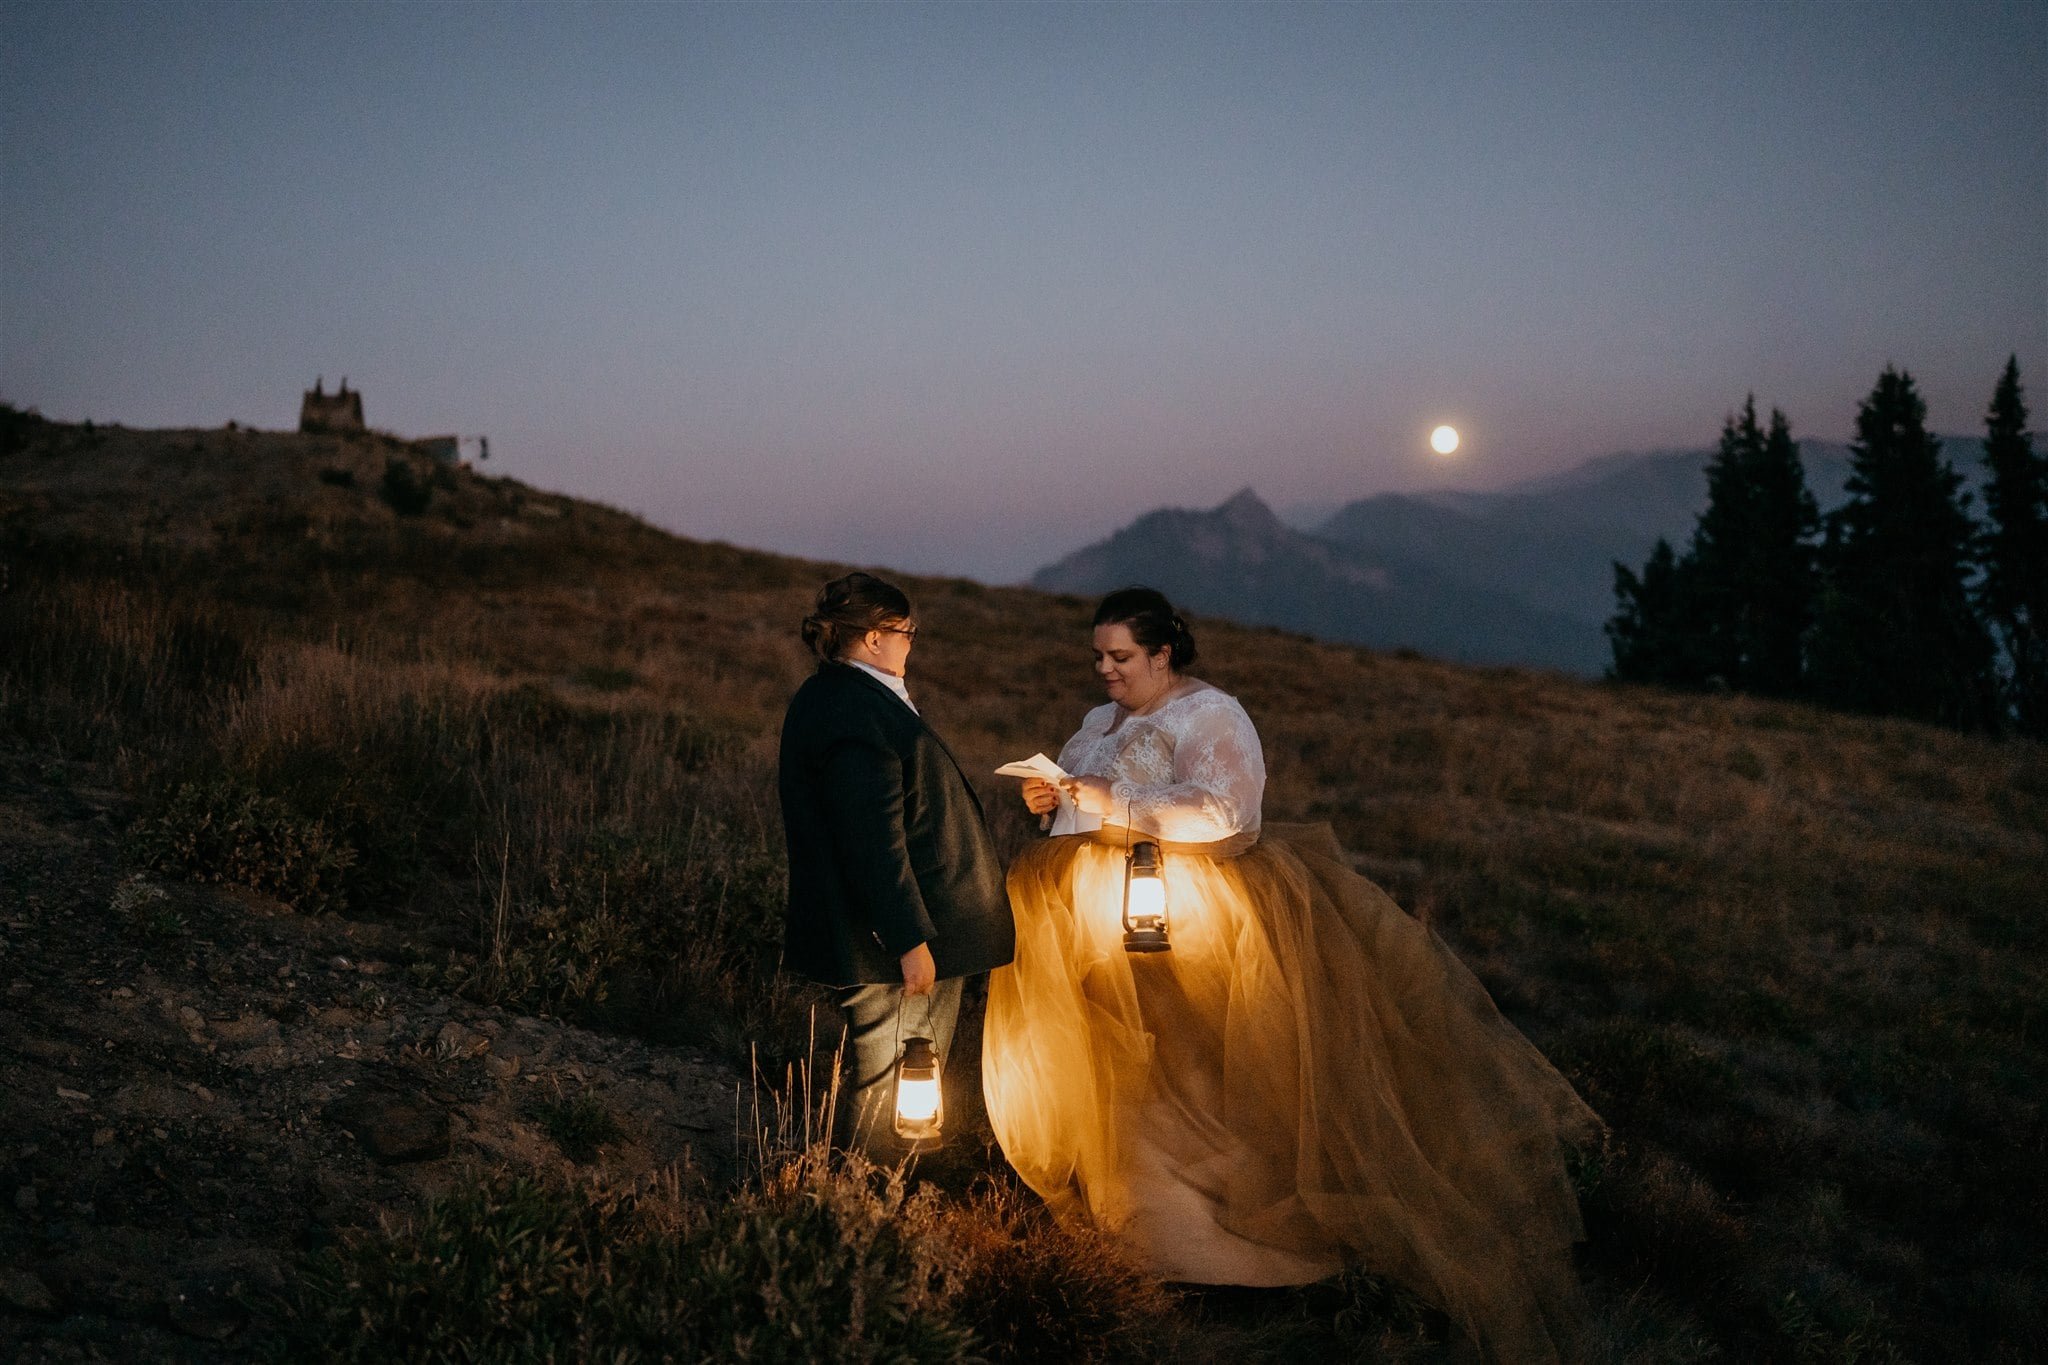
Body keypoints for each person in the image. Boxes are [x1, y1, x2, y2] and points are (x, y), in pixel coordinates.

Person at [984, 587, 1602, 1365]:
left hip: (1181, 915)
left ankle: (1225, 1250)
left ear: (1163, 654)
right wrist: (1053, 801)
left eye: (1121, 657)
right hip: (1082, 920)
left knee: (1189, 1069)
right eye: (1098, 657)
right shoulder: (1098, 723)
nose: (1105, 670)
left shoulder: (1211, 715)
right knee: (1121, 1070)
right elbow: (1078, 805)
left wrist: (1115, 801)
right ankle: (1143, 1234)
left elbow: (1227, 814)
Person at [779, 571, 1015, 1161]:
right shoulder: (853, 709)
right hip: (899, 940)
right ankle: (872, 1209)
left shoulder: (838, 697)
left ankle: (878, 1207)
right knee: (899, 1076)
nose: (913, 644)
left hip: (901, 932)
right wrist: (909, 939)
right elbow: (871, 839)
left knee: (900, 1072)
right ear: (876, 637)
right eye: (908, 632)